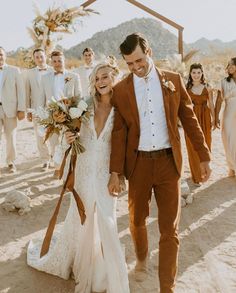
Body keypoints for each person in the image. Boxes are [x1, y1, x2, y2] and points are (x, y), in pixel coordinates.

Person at [107, 33, 211, 292]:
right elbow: (119, 135)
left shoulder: (173, 80)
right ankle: (142, 258)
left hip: (168, 164)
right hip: (138, 165)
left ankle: (167, 286)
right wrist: (115, 172)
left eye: (139, 60)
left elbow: (190, 120)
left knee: (169, 229)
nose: (135, 67)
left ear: (149, 51)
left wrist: (205, 156)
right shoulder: (121, 90)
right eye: (129, 63)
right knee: (137, 220)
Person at [27, 62, 130, 293]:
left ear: (114, 78)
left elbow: (124, 144)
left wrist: (118, 174)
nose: (101, 81)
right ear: (93, 82)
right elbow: (70, 133)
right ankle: (77, 260)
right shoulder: (83, 105)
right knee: (80, 216)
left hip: (106, 171)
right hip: (83, 168)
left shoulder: (122, 108)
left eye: (105, 77)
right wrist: (69, 137)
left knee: (106, 217)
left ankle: (106, 271)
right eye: (97, 78)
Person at [40, 50, 82, 178]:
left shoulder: (74, 76)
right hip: (52, 115)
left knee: (69, 142)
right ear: (51, 62)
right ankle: (58, 168)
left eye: (59, 61)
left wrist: (76, 113)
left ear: (64, 61)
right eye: (54, 61)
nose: (57, 63)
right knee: (54, 143)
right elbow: (43, 97)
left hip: (70, 114)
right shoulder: (45, 78)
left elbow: (78, 96)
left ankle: (69, 168)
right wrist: (44, 115)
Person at [184, 63, 215, 185]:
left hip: (205, 117)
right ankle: (196, 175)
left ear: (202, 73)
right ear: (190, 74)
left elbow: (211, 103)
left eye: (198, 72)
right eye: (193, 72)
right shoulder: (186, 89)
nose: (196, 75)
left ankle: (204, 172)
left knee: (206, 143)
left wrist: (214, 118)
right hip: (192, 118)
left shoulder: (207, 87)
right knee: (192, 145)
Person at [25, 48, 53, 171]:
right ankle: (45, 160)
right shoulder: (29, 73)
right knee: (40, 136)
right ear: (34, 59)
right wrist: (29, 111)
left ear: (45, 56)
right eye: (37, 57)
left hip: (53, 109)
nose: (39, 59)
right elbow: (27, 92)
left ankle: (55, 157)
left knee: (54, 135)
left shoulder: (53, 70)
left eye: (41, 56)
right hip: (36, 109)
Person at [0, 46, 25, 175]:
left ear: (5, 56)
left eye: (1, 54)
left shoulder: (14, 71)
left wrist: (21, 109)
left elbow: (21, 91)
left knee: (10, 137)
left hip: (10, 109)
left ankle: (11, 162)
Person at [215, 57, 236, 177]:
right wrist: (216, 116)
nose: (230, 67)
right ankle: (231, 166)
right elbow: (218, 99)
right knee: (227, 138)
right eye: (228, 65)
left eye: (232, 64)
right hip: (229, 112)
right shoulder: (224, 81)